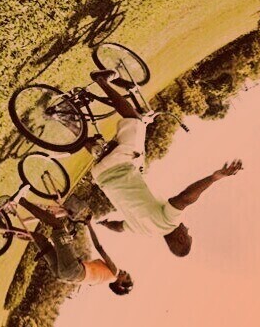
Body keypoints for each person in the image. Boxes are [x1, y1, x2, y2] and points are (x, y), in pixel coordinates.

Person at [86, 68, 243, 257]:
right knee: (125, 157)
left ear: (181, 239)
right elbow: (118, 227)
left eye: (188, 234)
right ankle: (70, 123)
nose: (187, 229)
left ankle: (101, 80)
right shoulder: (145, 231)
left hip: (120, 166)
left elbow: (184, 198)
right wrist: (105, 224)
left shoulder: (169, 222)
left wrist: (214, 178)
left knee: (135, 120)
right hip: (101, 176)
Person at [9, 196, 133, 295]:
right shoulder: (100, 281)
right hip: (63, 275)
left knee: (58, 226)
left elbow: (99, 247)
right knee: (41, 240)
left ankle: (21, 201)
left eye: (126, 277)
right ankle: (4, 227)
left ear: (119, 284)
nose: (125, 272)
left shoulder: (115, 272)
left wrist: (89, 225)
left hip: (73, 270)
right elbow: (82, 276)